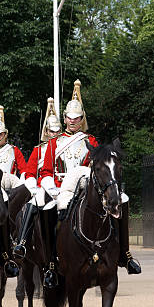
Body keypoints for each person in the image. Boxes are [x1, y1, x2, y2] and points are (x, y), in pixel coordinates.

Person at [36, 80, 141, 286]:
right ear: (64, 118)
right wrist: (50, 187)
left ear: (82, 119)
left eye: (76, 118)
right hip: (59, 188)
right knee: (45, 207)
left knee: (123, 200)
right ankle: (50, 264)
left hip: (84, 185)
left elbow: (97, 167)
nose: (72, 121)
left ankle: (125, 255)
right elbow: (46, 170)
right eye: (69, 117)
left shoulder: (91, 141)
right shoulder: (53, 143)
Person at [13, 97, 62, 259]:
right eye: (52, 131)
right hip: (43, 187)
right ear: (47, 132)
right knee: (33, 203)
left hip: (63, 187)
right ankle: (22, 242)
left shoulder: (64, 146)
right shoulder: (39, 150)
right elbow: (29, 172)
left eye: (57, 131)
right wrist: (33, 188)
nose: (54, 134)